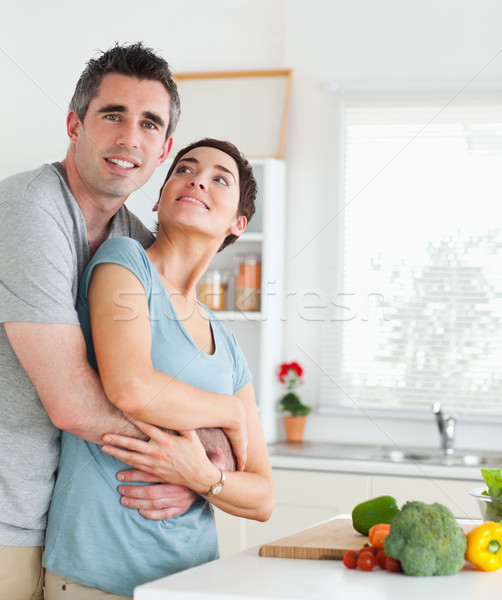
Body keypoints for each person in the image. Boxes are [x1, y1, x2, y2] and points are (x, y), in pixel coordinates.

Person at [0, 43, 230, 600]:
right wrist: (189, 459)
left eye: (149, 123)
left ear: (164, 148)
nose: (130, 138)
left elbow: (178, 372)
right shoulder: (31, 210)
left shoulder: (133, 244)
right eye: (112, 115)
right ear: (76, 124)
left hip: (63, 523)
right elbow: (71, 402)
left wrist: (206, 457)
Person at [42, 138, 275, 599]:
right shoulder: (125, 263)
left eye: (218, 179)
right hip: (97, 574)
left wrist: (202, 478)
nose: (197, 180)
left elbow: (264, 497)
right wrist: (228, 413)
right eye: (185, 170)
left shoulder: (225, 345)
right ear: (161, 196)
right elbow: (130, 387)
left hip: (192, 580)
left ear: (237, 223)